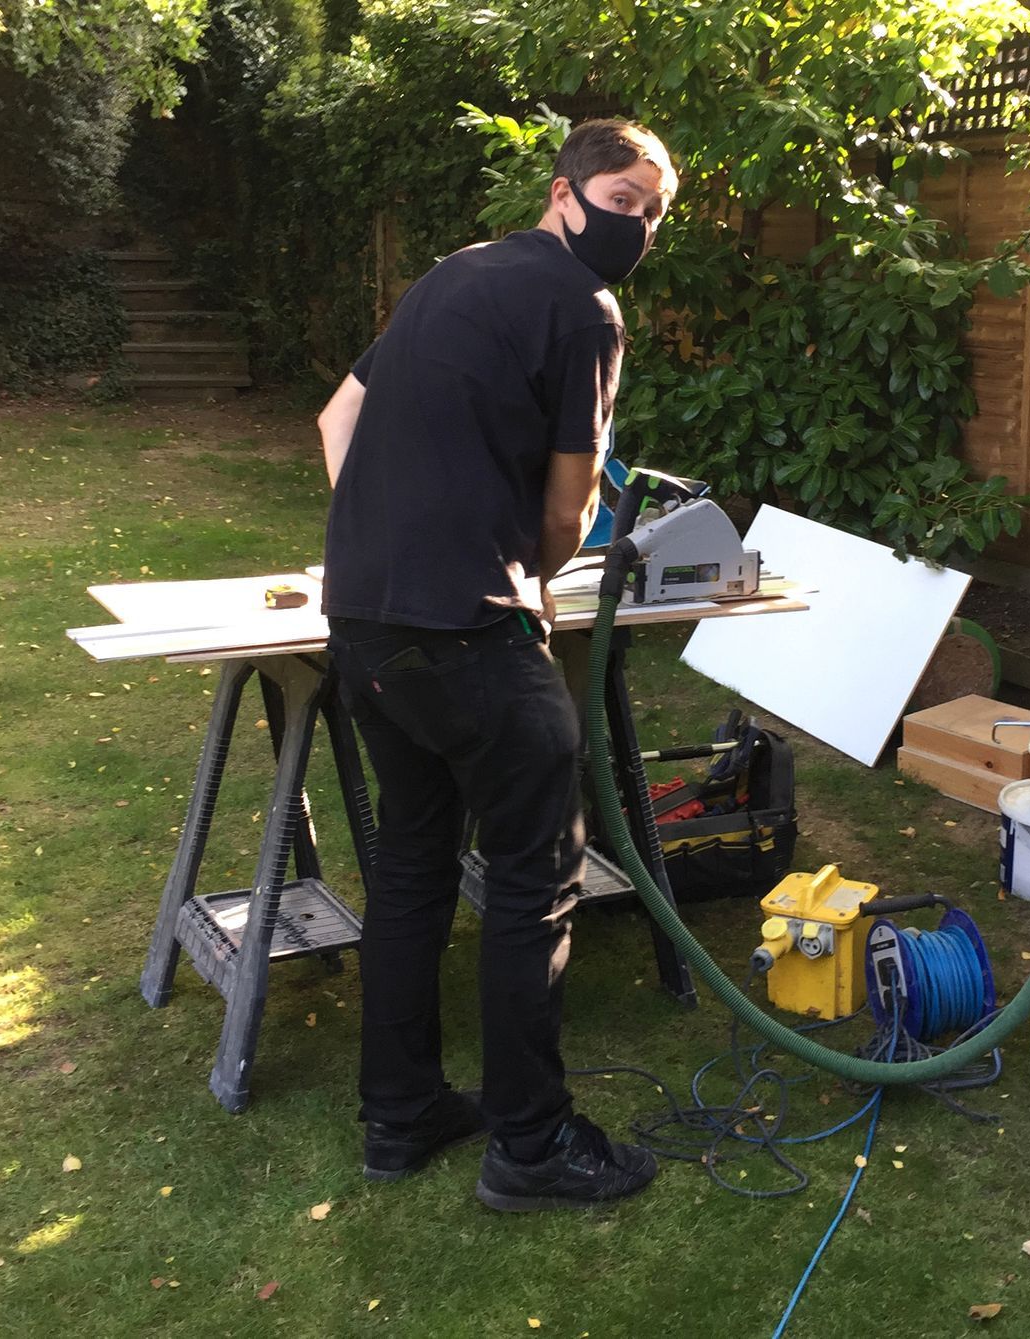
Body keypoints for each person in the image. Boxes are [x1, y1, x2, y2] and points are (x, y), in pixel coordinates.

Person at [314, 120, 678, 1211]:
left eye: (656, 211)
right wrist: (518, 569)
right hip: (469, 631)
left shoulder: (454, 276)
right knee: (535, 878)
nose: (639, 225)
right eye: (624, 198)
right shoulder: (584, 308)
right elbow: (570, 508)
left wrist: (391, 537)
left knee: (416, 865)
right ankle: (531, 1144)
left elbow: (338, 417)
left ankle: (402, 1111)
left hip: (367, 623)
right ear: (562, 192)